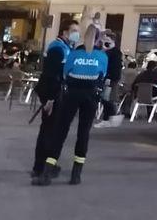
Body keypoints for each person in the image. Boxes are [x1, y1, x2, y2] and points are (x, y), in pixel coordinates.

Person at [39, 24, 108, 186]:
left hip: (71, 95)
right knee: (83, 134)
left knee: (60, 132)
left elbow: (65, 74)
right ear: (99, 39)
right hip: (91, 97)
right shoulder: (102, 57)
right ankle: (76, 175)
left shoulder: (74, 54)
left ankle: (47, 172)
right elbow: (103, 76)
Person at [30, 20, 78, 185]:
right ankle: (41, 167)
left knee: (50, 130)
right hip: (52, 93)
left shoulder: (65, 47)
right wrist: (50, 98)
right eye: (73, 31)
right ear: (65, 32)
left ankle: (44, 165)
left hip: (56, 93)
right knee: (49, 130)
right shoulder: (57, 48)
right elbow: (51, 74)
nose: (76, 34)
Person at [96, 30, 123, 126]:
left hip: (110, 78)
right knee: (105, 98)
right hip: (105, 78)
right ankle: (109, 117)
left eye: (107, 40)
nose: (105, 42)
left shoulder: (115, 52)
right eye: (103, 40)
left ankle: (108, 118)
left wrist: (110, 77)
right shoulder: (105, 51)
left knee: (106, 98)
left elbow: (114, 67)